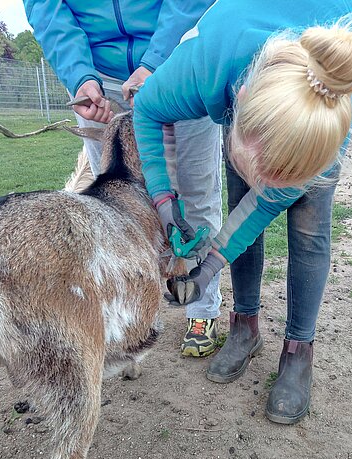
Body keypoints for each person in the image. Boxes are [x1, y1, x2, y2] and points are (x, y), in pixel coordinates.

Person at [133, 0, 352, 424]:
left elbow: (261, 207)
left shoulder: (333, 109)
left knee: (309, 231)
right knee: (241, 194)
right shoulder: (207, 61)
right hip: (243, 71)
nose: (268, 189)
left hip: (305, 118)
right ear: (239, 104)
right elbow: (147, 109)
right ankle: (244, 326)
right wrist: (163, 201)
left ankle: (299, 349)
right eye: (265, 173)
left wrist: (207, 267)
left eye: (283, 177)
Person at [24, 0, 223, 358]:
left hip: (180, 64)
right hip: (101, 81)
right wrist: (80, 75)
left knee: (196, 193)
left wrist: (155, 61)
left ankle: (200, 308)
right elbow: (47, 8)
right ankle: (124, 312)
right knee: (111, 208)